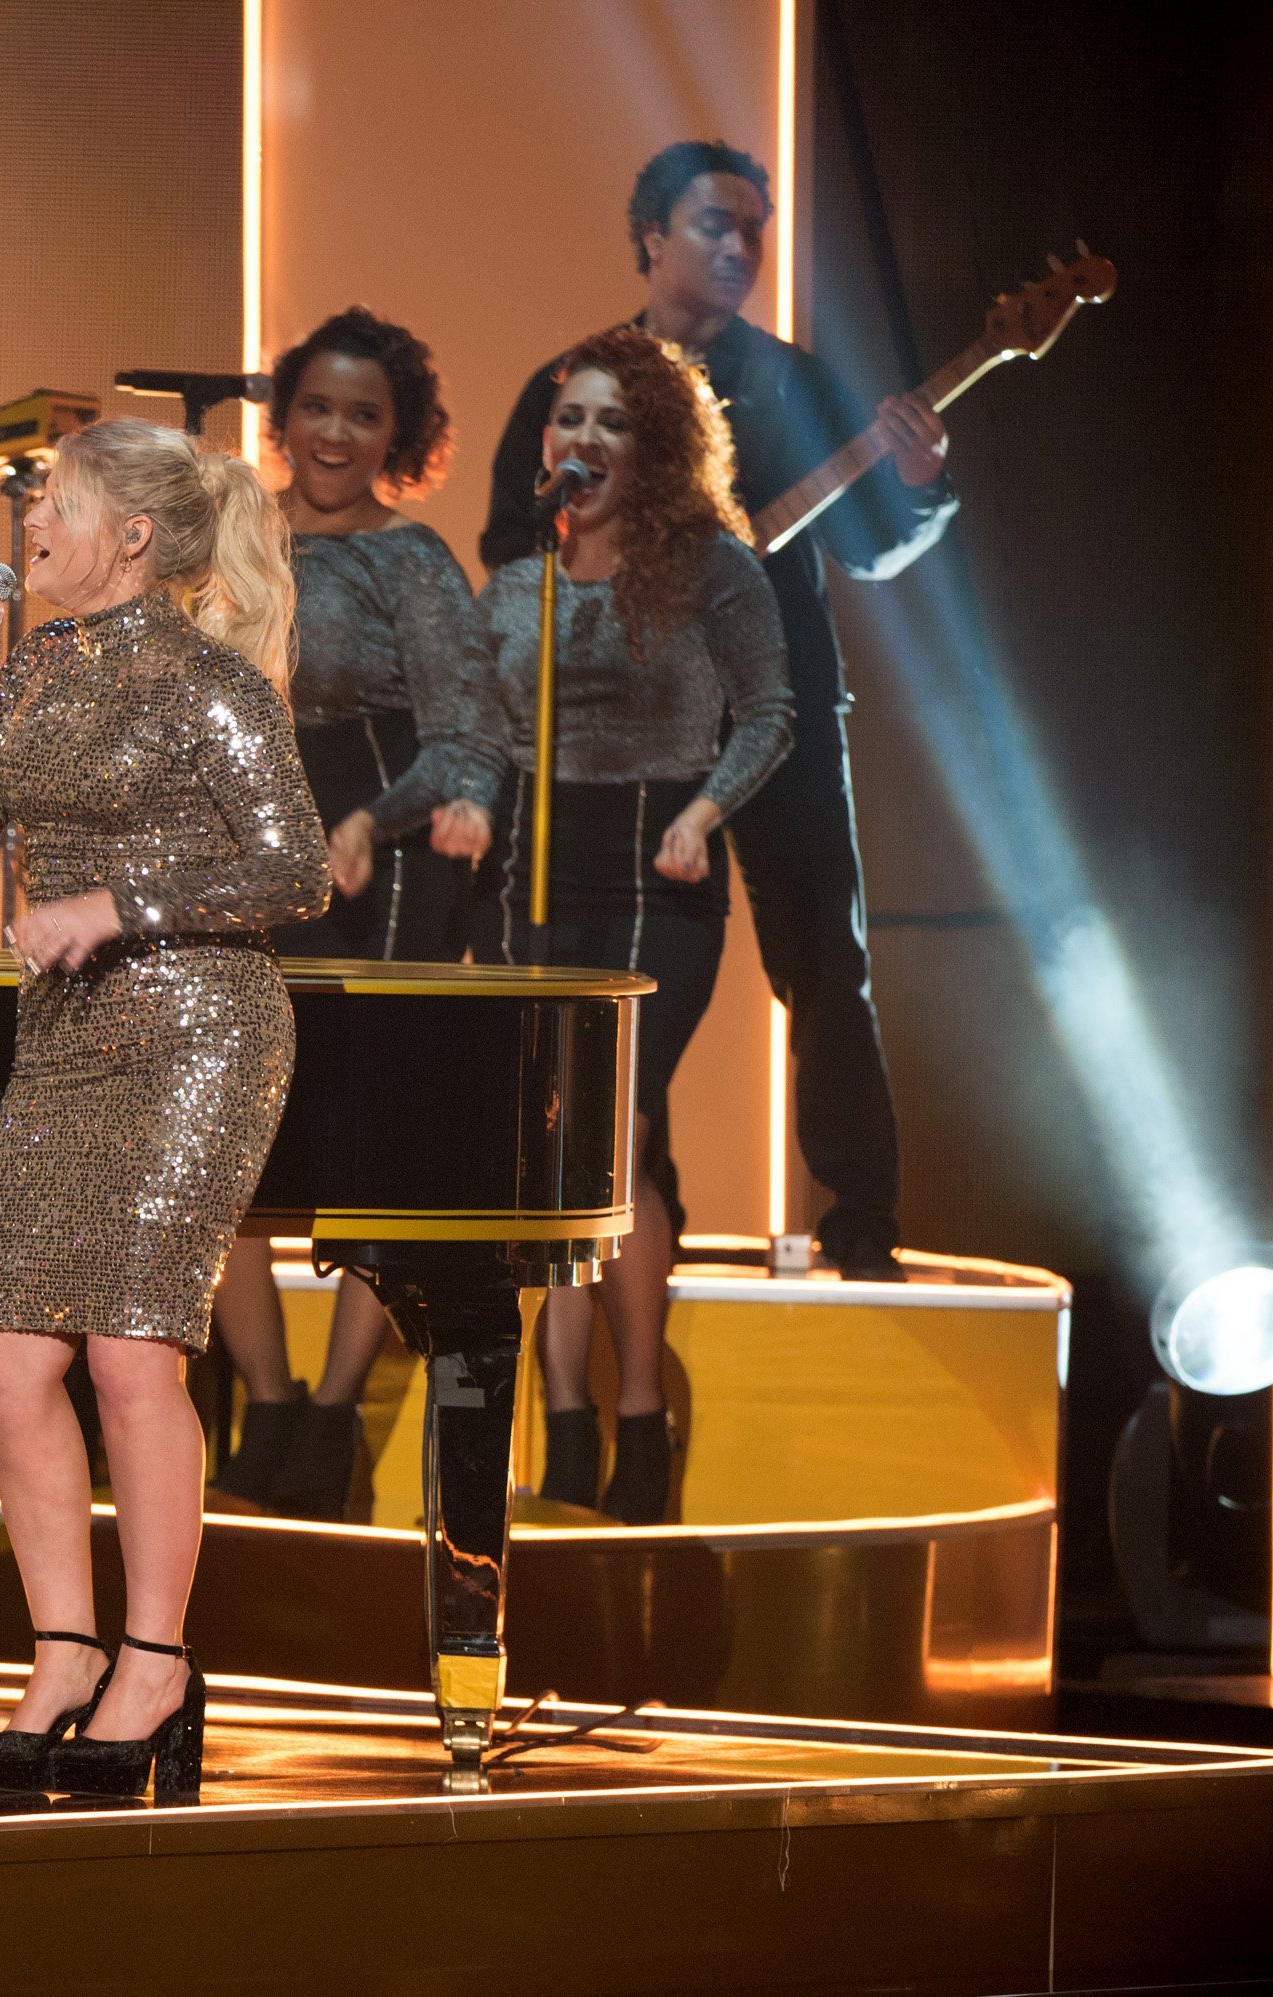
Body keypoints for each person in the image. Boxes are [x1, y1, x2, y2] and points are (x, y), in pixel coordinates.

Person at [0, 420, 327, 1798]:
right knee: (4, 1355)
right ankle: (65, 1650)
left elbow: (295, 868)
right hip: (68, 1036)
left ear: (132, 536)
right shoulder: (29, 662)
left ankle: (156, 1658)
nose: (29, 522)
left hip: (199, 1029)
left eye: (55, 502)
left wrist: (119, 903)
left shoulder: (211, 683)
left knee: (129, 1358)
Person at [480, 141, 954, 1281]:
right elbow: (506, 550)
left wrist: (922, 481)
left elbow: (877, 543)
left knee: (822, 964)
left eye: (755, 228)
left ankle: (861, 1222)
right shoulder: (575, 389)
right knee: (625, 967)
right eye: (713, 224)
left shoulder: (797, 384)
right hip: (618, 731)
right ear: (651, 235)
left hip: (774, 710)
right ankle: (647, 1220)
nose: (739, 247)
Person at [470, 326, 792, 1524]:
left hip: (663, 877)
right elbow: (489, 744)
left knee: (625, 1123)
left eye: (612, 421)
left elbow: (772, 712)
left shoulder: (714, 568)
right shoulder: (520, 585)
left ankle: (640, 1412)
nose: (584, 439)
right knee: (552, 1151)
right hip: (540, 877)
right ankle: (565, 1422)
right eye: (570, 420)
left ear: (655, 447)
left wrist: (706, 812)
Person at [212, 306, 499, 1522]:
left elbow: (470, 739)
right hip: (243, 852)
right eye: (318, 407)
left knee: (367, 1161)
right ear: (285, 416)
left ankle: (330, 1424)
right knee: (224, 1155)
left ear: (401, 434)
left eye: (364, 414)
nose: (336, 432)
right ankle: (267, 1406)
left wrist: (369, 826)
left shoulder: (411, 560)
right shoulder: (227, 535)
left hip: (376, 870)